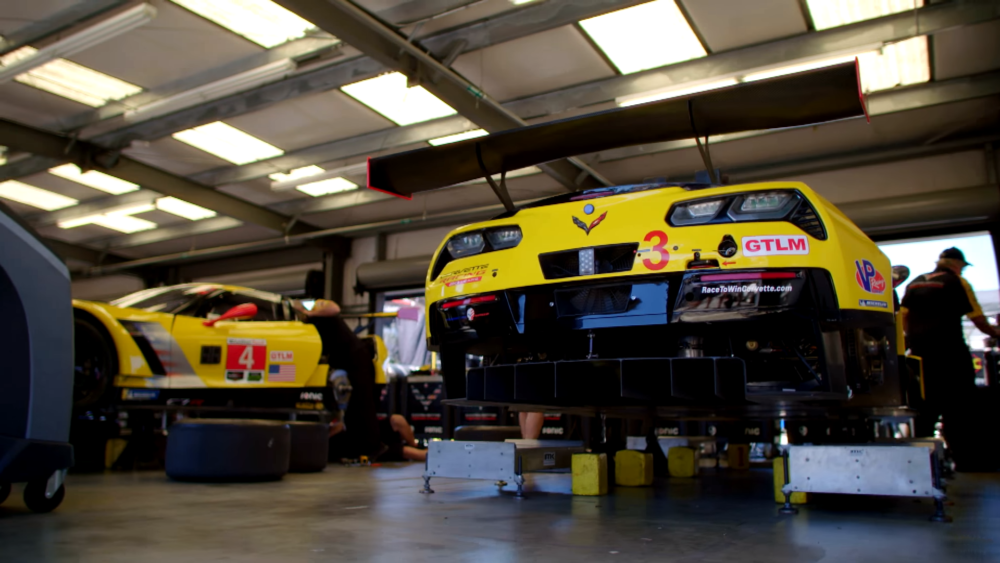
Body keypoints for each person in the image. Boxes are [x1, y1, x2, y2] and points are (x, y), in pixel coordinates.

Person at [901, 247, 1000, 438]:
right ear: (957, 264)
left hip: (919, 357)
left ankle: (924, 457)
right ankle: (964, 460)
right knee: (959, 407)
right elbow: (978, 318)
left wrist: (914, 338)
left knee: (923, 408)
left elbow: (903, 317)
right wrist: (995, 332)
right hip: (951, 354)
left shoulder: (915, 282)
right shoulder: (958, 281)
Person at [293, 298, 383, 461]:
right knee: (353, 408)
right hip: (348, 361)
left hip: (356, 359)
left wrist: (309, 312)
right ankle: (360, 449)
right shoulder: (308, 328)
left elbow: (334, 307)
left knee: (362, 404)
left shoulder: (321, 314)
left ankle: (371, 448)